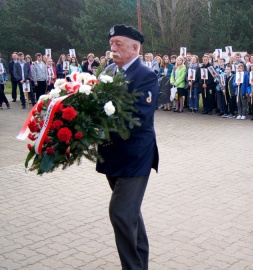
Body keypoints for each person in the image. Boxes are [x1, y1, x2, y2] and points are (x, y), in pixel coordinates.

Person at [96, 24, 159, 269]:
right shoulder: (110, 70)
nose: (113, 48)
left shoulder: (146, 75)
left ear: (135, 47)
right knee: (130, 215)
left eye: (118, 43)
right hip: (112, 155)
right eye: (112, 43)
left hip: (135, 157)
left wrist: (99, 127)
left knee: (120, 213)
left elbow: (139, 117)